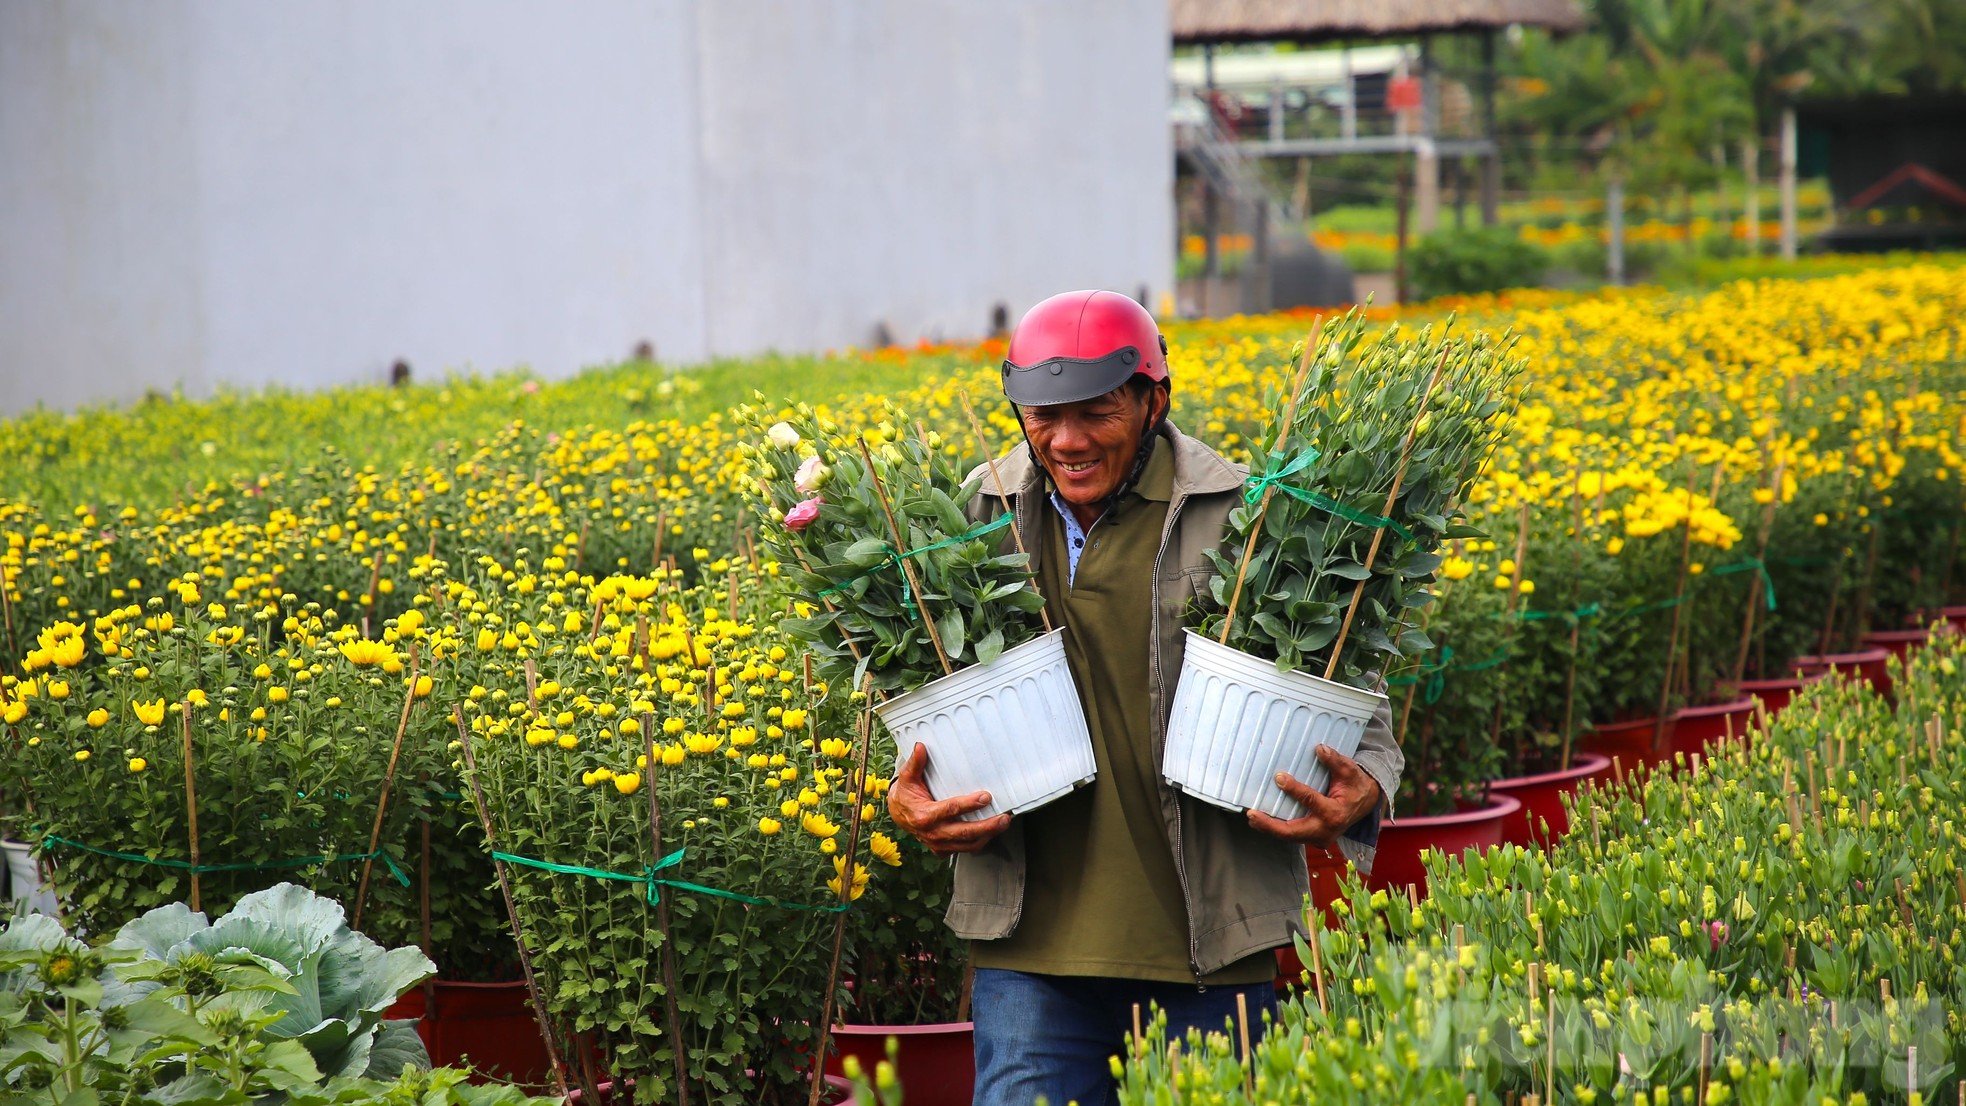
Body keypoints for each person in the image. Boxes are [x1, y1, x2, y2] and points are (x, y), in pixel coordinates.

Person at [885, 289, 1404, 1106]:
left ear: (1154, 400)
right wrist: (904, 789)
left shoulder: (1243, 512)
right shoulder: (976, 512)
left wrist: (1364, 782)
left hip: (1206, 939)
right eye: (1043, 415)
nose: (1067, 440)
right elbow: (917, 694)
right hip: (1030, 940)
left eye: (1095, 413)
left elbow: (1360, 699)